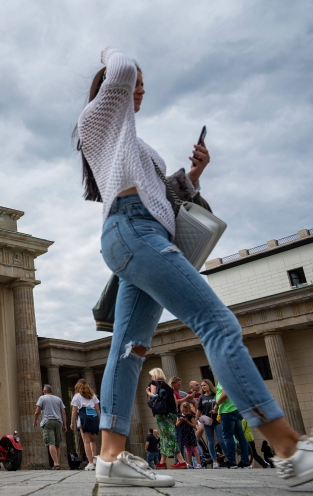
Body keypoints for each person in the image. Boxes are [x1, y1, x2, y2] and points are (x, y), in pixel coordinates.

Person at [76, 45, 311, 488]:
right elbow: (122, 67)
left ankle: (109, 459)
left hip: (143, 233)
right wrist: (110, 53)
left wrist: (193, 176)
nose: (140, 90)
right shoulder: (99, 120)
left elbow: (161, 194)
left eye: (144, 85)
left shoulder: (133, 143)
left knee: (129, 350)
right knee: (218, 323)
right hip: (134, 232)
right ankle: (289, 449)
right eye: (136, 85)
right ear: (113, 87)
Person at [211, 384, 252, 469]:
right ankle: (245, 462)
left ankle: (231, 461)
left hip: (227, 410)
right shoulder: (230, 378)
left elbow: (225, 394)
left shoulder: (222, 379)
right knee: (240, 436)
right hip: (236, 409)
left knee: (228, 436)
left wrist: (216, 404)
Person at [145, 368, 179, 470]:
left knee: (169, 437)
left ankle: (181, 461)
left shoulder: (154, 383)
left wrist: (148, 392)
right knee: (165, 436)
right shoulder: (168, 386)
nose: (151, 377)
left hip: (162, 414)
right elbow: (175, 402)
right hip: (172, 413)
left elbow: (154, 396)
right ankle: (162, 462)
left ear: (155, 375)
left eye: (151, 375)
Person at [33, 384, 66, 470]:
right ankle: (57, 462)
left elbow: (37, 411)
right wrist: (65, 424)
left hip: (48, 422)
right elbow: (63, 412)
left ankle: (56, 463)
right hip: (58, 422)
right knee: (57, 443)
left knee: (51, 443)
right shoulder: (58, 399)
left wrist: (35, 421)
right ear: (51, 391)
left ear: (44, 391)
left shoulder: (42, 398)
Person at [70, 378, 100, 471]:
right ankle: (95, 461)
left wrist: (72, 422)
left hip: (84, 417)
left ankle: (90, 463)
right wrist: (100, 419)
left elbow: (74, 410)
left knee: (86, 441)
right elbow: (97, 409)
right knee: (92, 441)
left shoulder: (77, 396)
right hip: (94, 417)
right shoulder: (93, 395)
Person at [196, 379, 224, 469]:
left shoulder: (215, 395)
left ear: (209, 385)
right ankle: (214, 461)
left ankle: (229, 458)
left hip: (217, 420)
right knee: (210, 441)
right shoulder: (201, 397)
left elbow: (220, 404)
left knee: (221, 440)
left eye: (205, 385)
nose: (203, 387)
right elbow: (199, 409)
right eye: (202, 386)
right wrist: (195, 420)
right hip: (207, 421)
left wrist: (215, 410)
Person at [169, 377, 190, 468]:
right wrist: (186, 398)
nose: (180, 386)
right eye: (178, 384)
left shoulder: (177, 392)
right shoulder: (171, 392)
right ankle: (178, 460)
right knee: (177, 439)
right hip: (175, 416)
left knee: (180, 440)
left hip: (179, 416)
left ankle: (181, 460)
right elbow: (176, 402)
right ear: (173, 384)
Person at [177, 402, 201, 469]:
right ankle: (190, 464)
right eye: (183, 411)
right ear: (181, 409)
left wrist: (187, 421)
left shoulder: (190, 416)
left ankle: (198, 463)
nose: (185, 413)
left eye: (186, 411)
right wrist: (180, 421)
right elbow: (177, 424)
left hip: (190, 433)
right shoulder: (179, 415)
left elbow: (194, 425)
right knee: (187, 449)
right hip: (184, 434)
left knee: (194, 448)